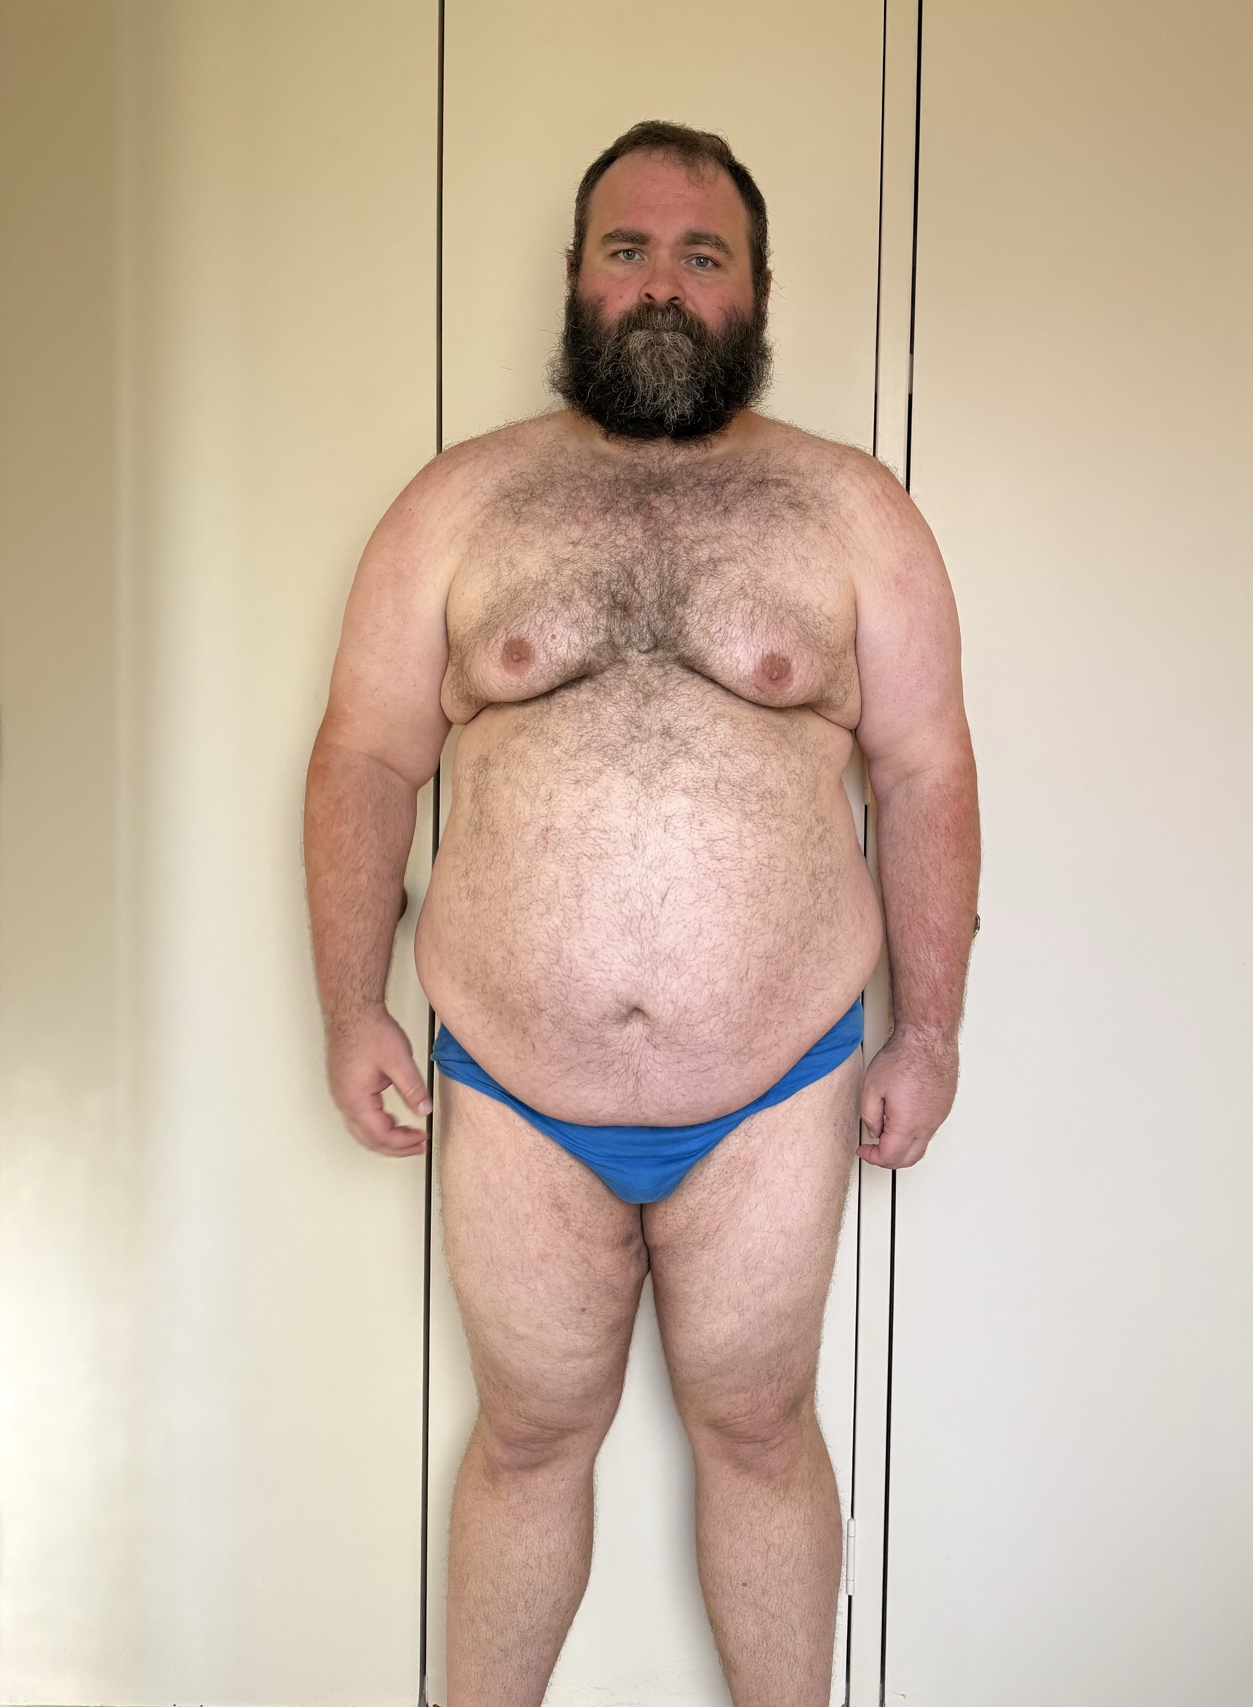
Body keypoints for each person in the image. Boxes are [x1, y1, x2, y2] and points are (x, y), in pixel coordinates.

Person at [303, 120, 980, 1707]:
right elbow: (365, 756)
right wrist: (347, 1005)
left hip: (777, 1084)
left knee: (759, 1432)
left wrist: (932, 1031)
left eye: (701, 254)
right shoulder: (463, 502)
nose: (663, 283)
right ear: (576, 278)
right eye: (629, 250)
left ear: (756, 289)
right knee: (528, 1442)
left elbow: (928, 771)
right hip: (510, 1085)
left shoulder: (849, 509)